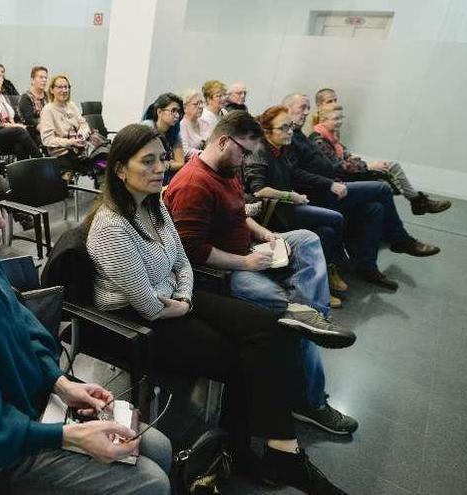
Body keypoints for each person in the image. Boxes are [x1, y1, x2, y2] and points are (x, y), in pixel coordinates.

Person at [88, 123, 350, 494]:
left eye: (161, 158)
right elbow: (146, 304)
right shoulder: (111, 226)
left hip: (174, 299)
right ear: (119, 169)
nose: (159, 168)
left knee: (270, 326)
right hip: (136, 317)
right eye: (146, 162)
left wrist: (184, 296)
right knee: (243, 355)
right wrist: (180, 305)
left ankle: (279, 450)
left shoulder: (154, 202)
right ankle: (249, 454)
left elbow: (182, 260)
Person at [0, 154, 172, 495]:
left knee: (158, 448)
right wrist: (67, 435)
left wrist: (60, 384)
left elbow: (29, 332)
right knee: (151, 482)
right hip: (2, 446)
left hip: (36, 408)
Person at [163, 112, 360, 437]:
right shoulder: (194, 183)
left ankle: (311, 314)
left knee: (306, 239)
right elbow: (190, 251)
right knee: (288, 318)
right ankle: (310, 400)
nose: (246, 159)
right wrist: (247, 263)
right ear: (224, 141)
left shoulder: (227, 169)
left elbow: (239, 215)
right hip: (216, 274)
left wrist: (266, 234)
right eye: (243, 151)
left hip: (245, 254)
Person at [282, 93, 440, 290]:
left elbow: (333, 164)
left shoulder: (300, 135)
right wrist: (331, 182)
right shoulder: (291, 136)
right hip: (318, 194)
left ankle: (367, 267)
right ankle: (401, 240)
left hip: (332, 184)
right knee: (382, 188)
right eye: (302, 107)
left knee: (374, 208)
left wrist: (351, 172)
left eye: (307, 108)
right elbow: (295, 173)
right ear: (287, 108)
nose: (306, 112)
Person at [244, 105, 348, 303]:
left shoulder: (279, 150)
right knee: (336, 218)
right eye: (283, 128)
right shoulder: (259, 151)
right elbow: (259, 190)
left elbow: (292, 175)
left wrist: (324, 185)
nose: (290, 131)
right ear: (267, 131)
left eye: (290, 126)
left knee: (328, 230)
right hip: (273, 213)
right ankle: (326, 278)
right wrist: (290, 196)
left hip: (286, 206)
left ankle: (322, 281)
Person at [310, 103, 451, 215]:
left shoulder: (331, 136)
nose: (340, 122)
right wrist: (368, 166)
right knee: (385, 184)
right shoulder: (319, 140)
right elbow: (337, 167)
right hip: (339, 180)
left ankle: (417, 202)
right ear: (323, 120)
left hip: (346, 174)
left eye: (341, 118)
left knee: (391, 167)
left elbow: (347, 156)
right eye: (336, 119)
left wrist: (368, 165)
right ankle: (416, 204)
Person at [38, 74, 92, 174]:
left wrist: (81, 135)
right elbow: (47, 140)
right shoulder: (48, 110)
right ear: (51, 90)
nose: (64, 90)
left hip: (79, 150)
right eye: (59, 87)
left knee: (103, 162)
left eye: (66, 87)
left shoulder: (71, 105)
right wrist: (70, 142)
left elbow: (84, 124)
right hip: (61, 154)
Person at [141, 93, 185, 183]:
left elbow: (181, 163)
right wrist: (168, 164)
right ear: (159, 112)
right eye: (173, 111)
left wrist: (166, 165)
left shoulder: (175, 132)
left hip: (163, 176)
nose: (177, 116)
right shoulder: (147, 127)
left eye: (178, 112)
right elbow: (147, 161)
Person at [18, 65, 48, 145]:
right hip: (32, 131)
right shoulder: (26, 97)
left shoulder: (48, 96)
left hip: (49, 127)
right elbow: (29, 120)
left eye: (45, 78)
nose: (44, 80)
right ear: (33, 79)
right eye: (41, 77)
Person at [178, 88, 210, 159]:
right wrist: (205, 154)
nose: (201, 107)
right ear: (185, 107)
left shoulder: (205, 123)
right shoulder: (181, 125)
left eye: (201, 103)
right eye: (196, 104)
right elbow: (185, 152)